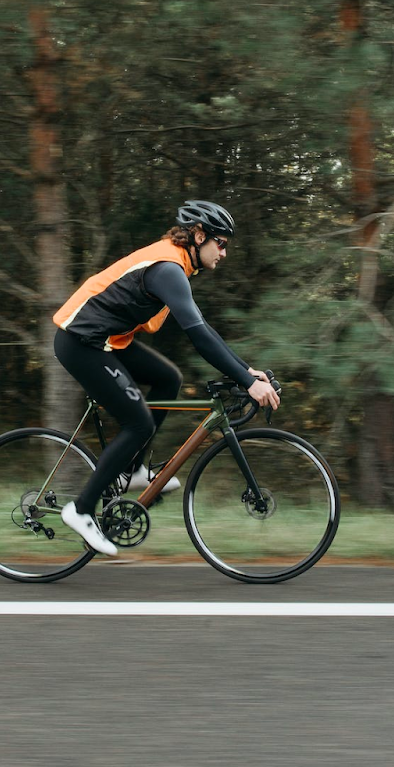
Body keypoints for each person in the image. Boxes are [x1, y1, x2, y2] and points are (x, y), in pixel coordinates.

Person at [51, 200, 281, 556]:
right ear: (199, 235)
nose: (223, 253)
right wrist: (249, 383)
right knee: (138, 424)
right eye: (220, 243)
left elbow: (203, 327)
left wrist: (245, 370)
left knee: (168, 378)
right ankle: (80, 510)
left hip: (107, 340)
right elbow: (199, 334)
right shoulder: (168, 267)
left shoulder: (178, 265)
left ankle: (133, 470)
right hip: (81, 342)